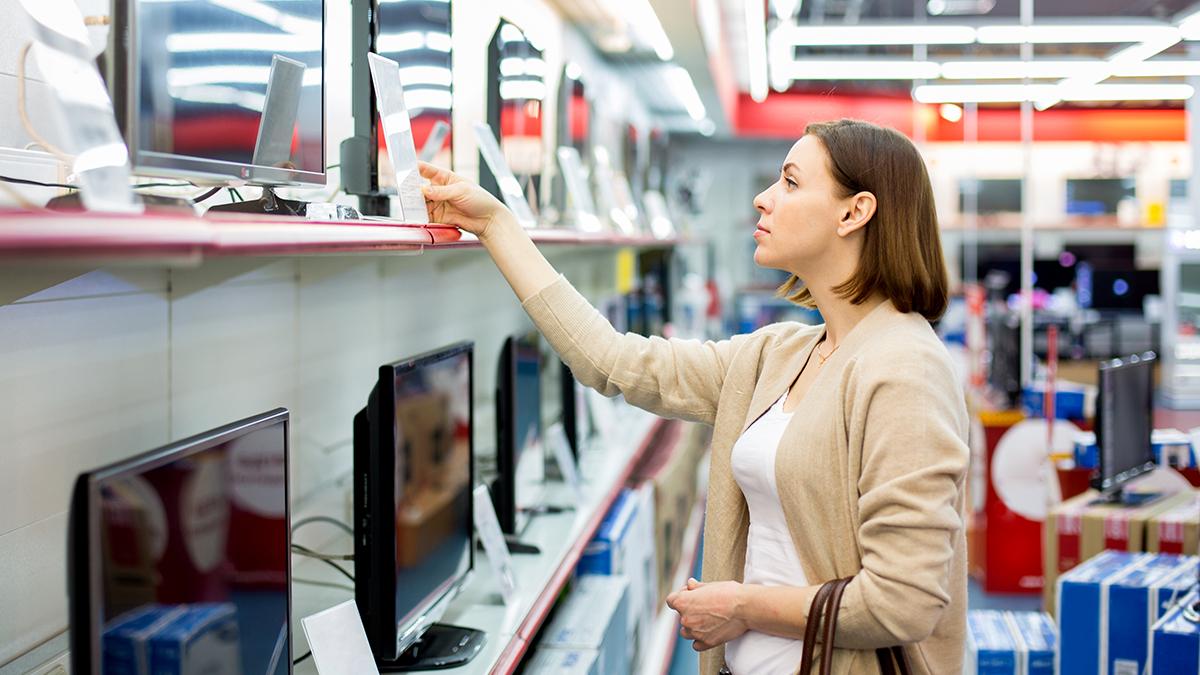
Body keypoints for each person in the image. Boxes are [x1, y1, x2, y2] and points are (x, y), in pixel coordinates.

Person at [420, 118, 969, 675]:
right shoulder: (777, 355)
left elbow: (904, 602)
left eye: (791, 182)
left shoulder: (905, 370)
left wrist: (742, 606)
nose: (763, 198)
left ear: (855, 212)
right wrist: (495, 226)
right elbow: (611, 360)